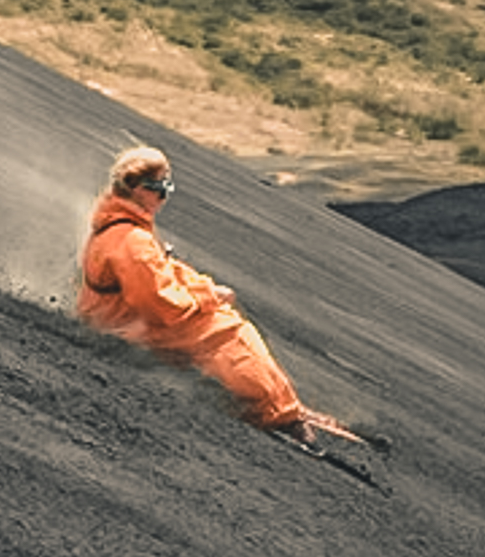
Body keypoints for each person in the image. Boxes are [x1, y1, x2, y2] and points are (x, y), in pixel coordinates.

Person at [78, 146, 347, 444]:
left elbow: (161, 276)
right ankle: (278, 413)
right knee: (229, 334)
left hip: (123, 317)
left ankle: (285, 402)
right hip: (129, 325)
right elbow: (160, 306)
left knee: (226, 319)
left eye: (168, 187)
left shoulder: (122, 226)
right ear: (133, 188)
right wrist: (209, 298)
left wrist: (206, 290)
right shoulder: (132, 241)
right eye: (157, 188)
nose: (163, 197)